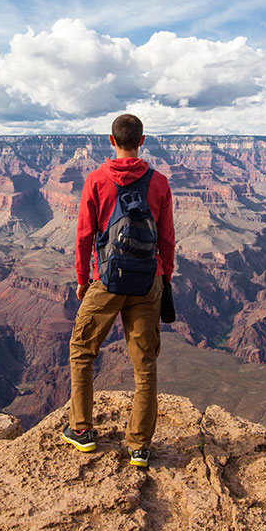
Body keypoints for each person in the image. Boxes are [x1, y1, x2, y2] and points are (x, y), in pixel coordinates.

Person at [62, 113, 175, 468]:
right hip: (147, 282)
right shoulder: (159, 183)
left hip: (107, 282)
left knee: (82, 350)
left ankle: (82, 430)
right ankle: (139, 446)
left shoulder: (96, 180)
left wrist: (83, 279)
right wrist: (164, 277)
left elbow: (84, 235)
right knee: (145, 367)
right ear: (142, 141)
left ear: (111, 141)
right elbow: (168, 238)